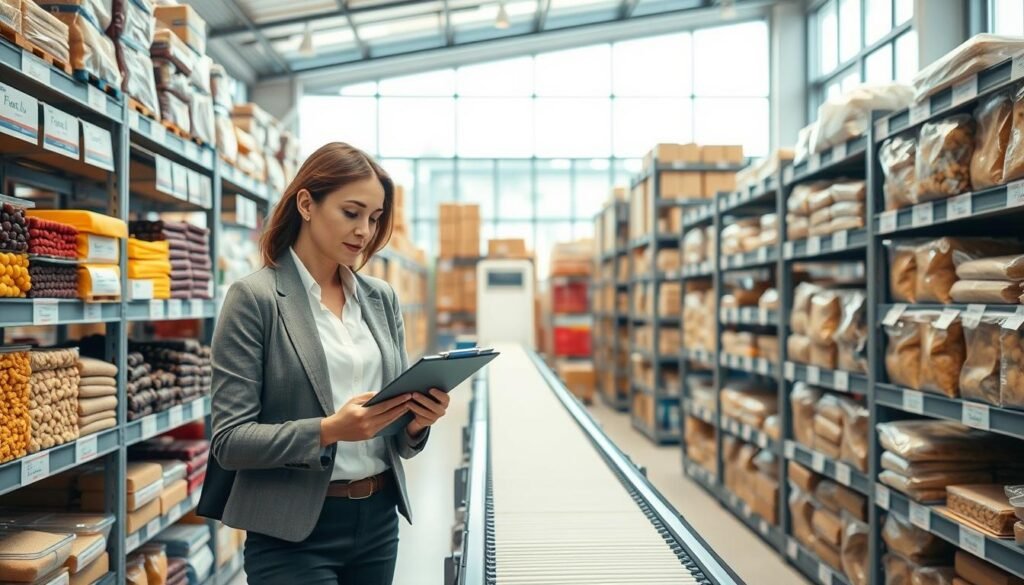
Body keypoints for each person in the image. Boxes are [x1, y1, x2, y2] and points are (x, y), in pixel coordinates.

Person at [209, 142, 450, 584]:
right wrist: (328, 431)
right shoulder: (254, 299)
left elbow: (392, 428)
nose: (364, 230)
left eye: (375, 218)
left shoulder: (380, 299)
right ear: (307, 203)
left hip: (378, 522)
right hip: (292, 532)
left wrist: (417, 423)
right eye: (351, 212)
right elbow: (230, 441)